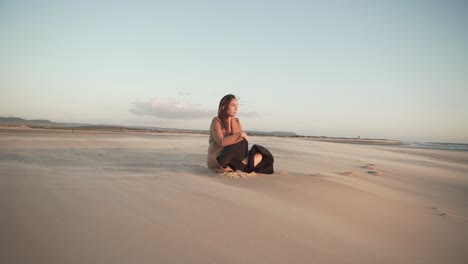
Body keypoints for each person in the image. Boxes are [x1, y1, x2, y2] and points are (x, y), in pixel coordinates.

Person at [207, 94, 262, 172]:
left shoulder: (237, 122)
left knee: (260, 153)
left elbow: (240, 146)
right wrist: (241, 134)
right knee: (242, 141)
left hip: (234, 157)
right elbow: (221, 142)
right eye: (233, 105)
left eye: (237, 106)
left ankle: (239, 166)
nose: (236, 108)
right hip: (221, 158)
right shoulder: (216, 121)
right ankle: (244, 166)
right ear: (223, 106)